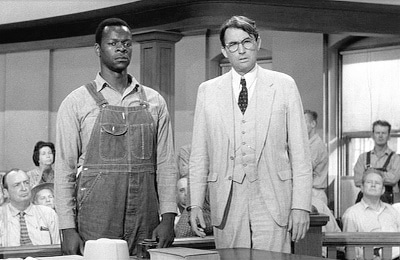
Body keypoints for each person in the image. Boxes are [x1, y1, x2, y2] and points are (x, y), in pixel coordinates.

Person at [189, 15, 312, 253]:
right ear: (224, 51)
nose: (241, 50)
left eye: (246, 42)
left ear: (257, 42)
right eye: (233, 45)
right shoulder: (208, 91)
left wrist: (301, 206)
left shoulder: (284, 85)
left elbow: (301, 154)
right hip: (226, 201)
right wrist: (194, 204)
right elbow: (199, 155)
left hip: (274, 201)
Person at [55, 18, 177, 256]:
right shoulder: (76, 103)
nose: (122, 48)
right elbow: (64, 170)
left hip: (145, 218)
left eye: (127, 43)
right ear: (98, 49)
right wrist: (67, 228)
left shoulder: (154, 102)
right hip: (96, 218)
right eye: (113, 43)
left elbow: (166, 164)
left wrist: (169, 217)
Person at [343, 169, 400, 259]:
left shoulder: (393, 211)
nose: (373, 185)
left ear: (383, 190)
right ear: (361, 187)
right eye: (369, 182)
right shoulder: (351, 214)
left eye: (377, 183)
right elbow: (351, 251)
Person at [0, 169, 59, 246]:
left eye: (26, 183)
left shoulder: (48, 213)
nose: (24, 188)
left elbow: (58, 247)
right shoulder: (1, 215)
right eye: (17, 185)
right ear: (5, 192)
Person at [354, 120, 400, 204]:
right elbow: (357, 180)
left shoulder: (396, 158)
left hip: (387, 201)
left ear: (389, 136)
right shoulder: (363, 157)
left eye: (384, 133)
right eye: (377, 133)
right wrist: (383, 176)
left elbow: (393, 179)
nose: (380, 136)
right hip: (364, 202)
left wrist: (369, 173)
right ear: (372, 135)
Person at [304, 110, 329, 205]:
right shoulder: (308, 145)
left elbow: (304, 169)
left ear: (313, 124)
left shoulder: (316, 145)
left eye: (303, 122)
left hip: (314, 194)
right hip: (309, 193)